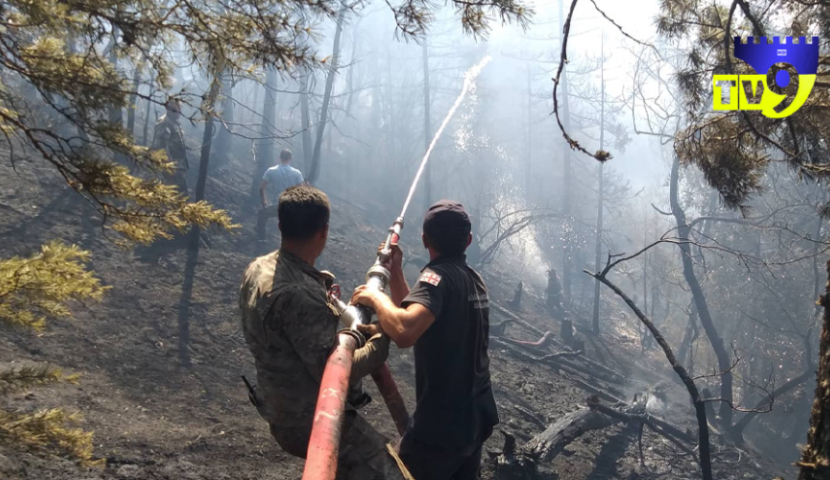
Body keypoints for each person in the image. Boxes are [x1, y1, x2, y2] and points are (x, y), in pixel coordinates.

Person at [238, 185, 409, 480]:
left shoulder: (257, 269)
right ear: (324, 231)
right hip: (311, 419)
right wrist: (382, 334)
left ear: (280, 225)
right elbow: (338, 373)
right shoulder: (298, 295)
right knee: (391, 473)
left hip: (278, 410)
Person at [351, 200, 499, 480]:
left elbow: (405, 331)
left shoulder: (436, 277)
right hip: (474, 418)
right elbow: (418, 316)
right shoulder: (472, 279)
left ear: (424, 239)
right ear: (468, 241)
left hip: (442, 427)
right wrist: (395, 271)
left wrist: (375, 297)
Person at [257, 149, 305, 242]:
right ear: (291, 159)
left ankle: (261, 238)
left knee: (262, 214)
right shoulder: (297, 173)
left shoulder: (271, 170)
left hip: (278, 205)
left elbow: (261, 187)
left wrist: (264, 201)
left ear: (279, 158)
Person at [151, 99, 188, 196]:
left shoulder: (174, 124)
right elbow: (159, 146)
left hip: (178, 167)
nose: (179, 111)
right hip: (171, 169)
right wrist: (168, 166)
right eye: (176, 108)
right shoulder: (164, 123)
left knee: (181, 198)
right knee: (174, 198)